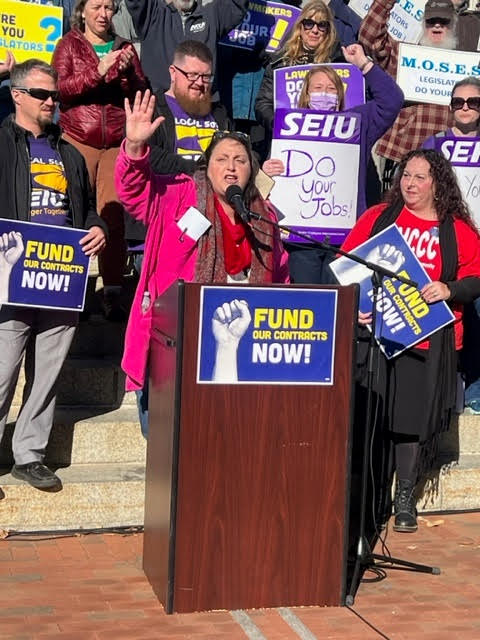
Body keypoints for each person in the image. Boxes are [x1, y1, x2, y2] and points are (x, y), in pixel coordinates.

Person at [114, 90, 289, 436]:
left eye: (240, 160)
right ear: (206, 167)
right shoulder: (180, 193)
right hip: (175, 341)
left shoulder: (263, 214)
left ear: (252, 170)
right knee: (170, 448)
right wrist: (134, 148)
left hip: (237, 347)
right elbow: (133, 192)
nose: (231, 167)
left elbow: (280, 277)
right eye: (222, 159)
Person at [341, 148, 480, 533]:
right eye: (405, 176)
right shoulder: (376, 218)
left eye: (420, 177)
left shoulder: (457, 230)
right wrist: (356, 306)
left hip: (426, 342)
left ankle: (404, 496)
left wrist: (449, 289)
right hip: (378, 338)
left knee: (410, 423)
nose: (410, 184)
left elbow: (475, 281)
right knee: (376, 418)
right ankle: (369, 497)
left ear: (438, 185)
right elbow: (345, 266)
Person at [0, 59, 107, 489]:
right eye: (42, 94)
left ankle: (29, 454)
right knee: (3, 368)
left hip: (62, 279)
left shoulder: (69, 152)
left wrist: (97, 226)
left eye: (55, 96)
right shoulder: (3, 142)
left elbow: (86, 208)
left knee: (47, 372)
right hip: (12, 273)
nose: (51, 102)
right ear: (17, 94)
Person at [265, 43, 404, 284]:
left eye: (331, 89)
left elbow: (392, 100)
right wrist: (265, 173)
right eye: (318, 88)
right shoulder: (288, 128)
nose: (324, 93)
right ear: (306, 94)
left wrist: (363, 63)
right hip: (301, 239)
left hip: (344, 238)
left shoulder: (357, 123)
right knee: (308, 307)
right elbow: (268, 184)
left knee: (340, 308)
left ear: (340, 96)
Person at [52, 0, 147, 321]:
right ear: (82, 10)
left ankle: (113, 292)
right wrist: (98, 71)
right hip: (78, 137)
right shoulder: (69, 44)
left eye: (109, 7)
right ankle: (69, 290)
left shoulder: (124, 46)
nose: (103, 14)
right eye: (96, 6)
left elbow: (141, 92)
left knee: (112, 215)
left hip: (115, 142)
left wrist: (129, 74)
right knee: (73, 214)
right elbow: (61, 90)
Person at [359, 0, 480, 186]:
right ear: (423, 24)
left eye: (444, 21)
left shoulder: (468, 64)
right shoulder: (404, 54)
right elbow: (370, 39)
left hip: (455, 160)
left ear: (453, 25)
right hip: (405, 154)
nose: (437, 25)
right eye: (432, 21)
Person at [423, 77, 480, 414]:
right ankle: (449, 385)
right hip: (446, 241)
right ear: (450, 108)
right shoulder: (435, 143)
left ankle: (474, 390)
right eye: (459, 102)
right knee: (450, 314)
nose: (465, 108)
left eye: (474, 102)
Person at [254, 0, 341, 140]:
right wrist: (277, 123)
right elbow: (262, 104)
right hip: (286, 139)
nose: (314, 30)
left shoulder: (338, 66)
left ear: (328, 31)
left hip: (327, 139)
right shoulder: (279, 64)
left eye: (322, 25)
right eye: (309, 23)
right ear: (300, 27)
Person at [123, 0, 249, 93]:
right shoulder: (152, 13)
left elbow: (237, 5)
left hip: (201, 108)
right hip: (160, 109)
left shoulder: (211, 14)